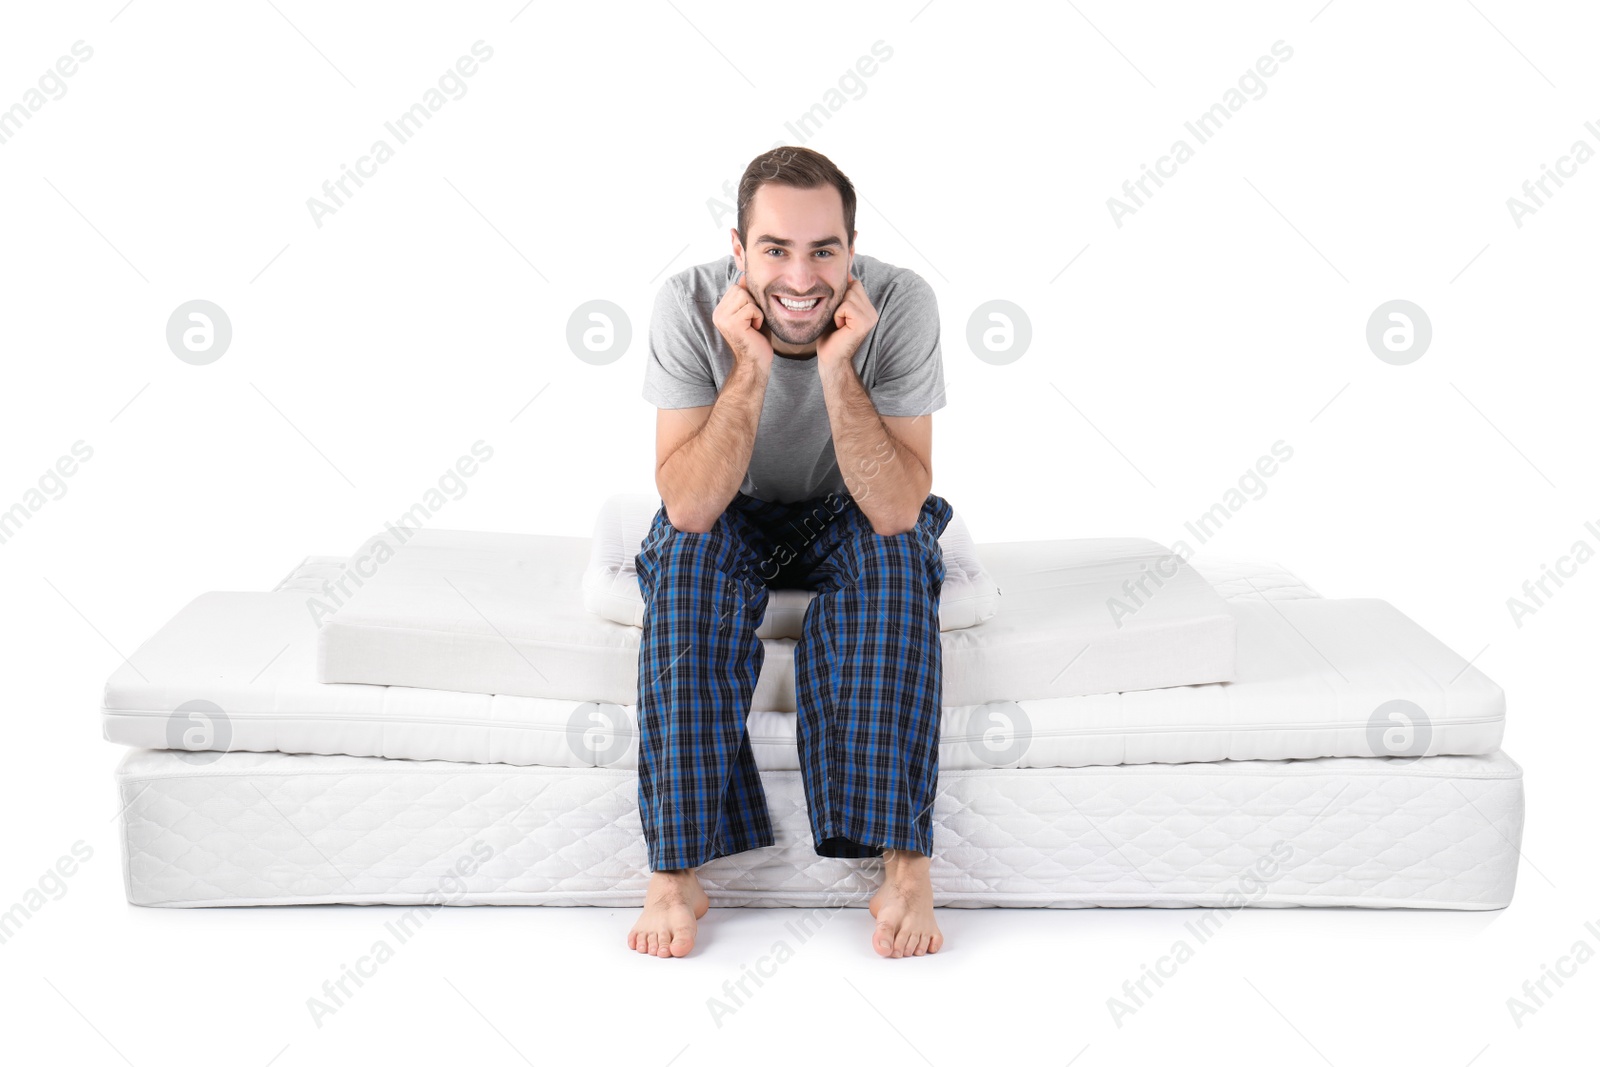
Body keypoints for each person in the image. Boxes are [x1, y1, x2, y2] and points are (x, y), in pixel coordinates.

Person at [627, 145, 950, 960]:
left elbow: (895, 506)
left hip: (852, 507)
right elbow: (690, 505)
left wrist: (839, 368)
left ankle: (904, 862)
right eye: (775, 249)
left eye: (824, 250)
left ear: (852, 247)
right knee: (689, 565)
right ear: (739, 251)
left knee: (898, 562)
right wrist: (752, 365)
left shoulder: (901, 304)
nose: (801, 277)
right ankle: (676, 870)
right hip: (728, 501)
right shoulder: (686, 302)